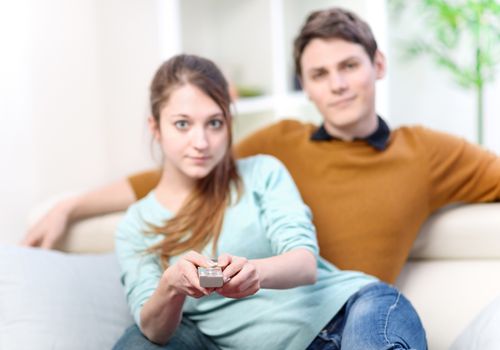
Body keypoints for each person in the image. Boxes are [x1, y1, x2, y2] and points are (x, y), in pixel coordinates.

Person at [22, 7, 500, 285]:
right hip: (277, 321)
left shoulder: (429, 153)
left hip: (361, 315)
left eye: (349, 66)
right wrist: (71, 205)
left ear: (378, 65)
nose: (337, 85)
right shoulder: (280, 144)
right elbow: (187, 166)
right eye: (319, 74)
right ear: (306, 87)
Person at [112, 53, 426, 350]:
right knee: (138, 341)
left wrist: (254, 272)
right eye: (183, 124)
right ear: (156, 127)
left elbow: (304, 263)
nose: (201, 142)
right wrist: (171, 285)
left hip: (349, 314)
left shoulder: (262, 172)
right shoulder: (136, 225)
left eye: (215, 123)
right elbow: (154, 329)